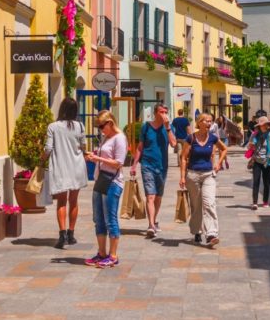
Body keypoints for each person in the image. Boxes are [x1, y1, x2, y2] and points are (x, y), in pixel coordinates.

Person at [41, 97, 88, 249]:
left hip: (61, 167)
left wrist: (41, 160)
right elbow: (83, 146)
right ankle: (71, 233)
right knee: (73, 201)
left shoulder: (53, 127)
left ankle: (62, 235)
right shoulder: (80, 126)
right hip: (77, 167)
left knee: (61, 202)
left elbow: (48, 149)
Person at [84, 110, 127, 267]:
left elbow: (119, 163)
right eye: (99, 127)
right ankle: (101, 253)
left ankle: (113, 255)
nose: (101, 129)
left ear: (110, 123)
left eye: (102, 126)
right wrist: (93, 155)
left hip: (112, 182)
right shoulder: (105, 138)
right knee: (98, 219)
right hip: (100, 180)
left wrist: (98, 158)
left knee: (111, 219)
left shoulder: (120, 138)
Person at [179, 113, 227, 247]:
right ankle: (197, 231)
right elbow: (183, 158)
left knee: (209, 203)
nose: (209, 124)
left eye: (210, 121)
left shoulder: (213, 138)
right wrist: (182, 176)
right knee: (196, 206)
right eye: (206, 121)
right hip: (192, 174)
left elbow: (224, 149)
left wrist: (218, 163)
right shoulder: (191, 138)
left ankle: (212, 234)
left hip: (208, 174)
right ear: (199, 122)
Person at [130, 103, 177, 238]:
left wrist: (168, 128)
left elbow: (174, 144)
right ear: (155, 113)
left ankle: (154, 221)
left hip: (162, 166)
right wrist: (134, 165)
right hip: (147, 164)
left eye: (166, 112)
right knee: (150, 196)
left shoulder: (169, 127)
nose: (164, 115)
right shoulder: (146, 127)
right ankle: (151, 225)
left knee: (158, 197)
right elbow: (140, 147)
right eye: (161, 112)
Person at [247, 116, 270, 210]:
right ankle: (255, 202)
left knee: (266, 182)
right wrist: (251, 146)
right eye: (263, 124)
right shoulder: (255, 135)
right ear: (259, 126)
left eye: (266, 124)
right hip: (257, 161)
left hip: (267, 162)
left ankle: (265, 201)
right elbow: (249, 147)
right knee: (256, 181)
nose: (265, 126)